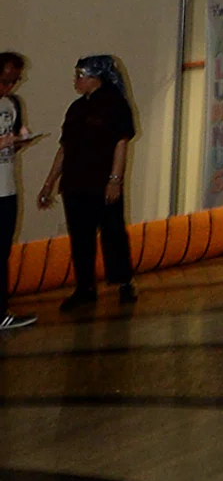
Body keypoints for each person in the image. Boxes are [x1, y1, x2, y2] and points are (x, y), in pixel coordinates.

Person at [38, 54, 137, 313]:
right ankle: (85, 287)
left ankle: (123, 281)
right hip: (75, 183)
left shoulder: (116, 105)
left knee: (112, 232)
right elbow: (64, 148)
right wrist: (49, 182)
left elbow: (121, 142)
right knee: (80, 236)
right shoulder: (76, 109)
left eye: (79, 76)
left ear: (95, 78)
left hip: (102, 182)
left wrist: (115, 180)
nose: (76, 81)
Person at [0, 49, 39, 334]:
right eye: (5, 81)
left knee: (2, 251)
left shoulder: (12, 104)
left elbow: (13, 139)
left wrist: (20, 142)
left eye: (14, 81)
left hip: (7, 189)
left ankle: (2, 312)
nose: (9, 87)